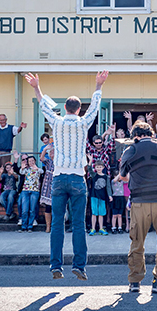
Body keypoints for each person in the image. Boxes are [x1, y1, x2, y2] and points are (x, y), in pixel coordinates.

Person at [25, 70, 109, 281]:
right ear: (79, 109)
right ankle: (79, 266)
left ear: (65, 108)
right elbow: (95, 106)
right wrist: (98, 85)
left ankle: (56, 265)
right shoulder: (83, 122)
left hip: (59, 177)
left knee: (56, 224)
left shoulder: (56, 121)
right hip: (78, 178)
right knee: (79, 224)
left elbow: (43, 104)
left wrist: (36, 86)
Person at [119, 121, 157, 294]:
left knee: (137, 241)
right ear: (151, 133)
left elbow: (123, 176)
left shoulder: (130, 150)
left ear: (135, 136)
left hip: (140, 201)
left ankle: (135, 282)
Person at [19, 156, 44, 233]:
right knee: (24, 210)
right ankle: (24, 226)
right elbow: (21, 172)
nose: (31, 162)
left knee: (32, 209)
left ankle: (30, 226)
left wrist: (36, 168)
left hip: (35, 191)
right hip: (25, 190)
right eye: (29, 161)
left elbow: (42, 171)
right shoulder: (26, 169)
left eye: (32, 161)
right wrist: (22, 167)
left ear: (35, 161)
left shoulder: (38, 169)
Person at [88, 158, 112, 236]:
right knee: (94, 213)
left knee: (101, 213)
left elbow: (108, 187)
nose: (98, 168)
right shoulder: (94, 175)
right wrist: (90, 161)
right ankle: (93, 228)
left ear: (103, 167)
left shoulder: (106, 177)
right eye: (97, 167)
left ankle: (101, 228)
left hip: (102, 197)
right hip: (94, 196)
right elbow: (89, 169)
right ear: (95, 168)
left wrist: (110, 195)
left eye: (100, 167)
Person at [40, 144, 55, 233]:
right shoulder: (48, 161)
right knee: (48, 207)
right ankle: (48, 226)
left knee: (56, 207)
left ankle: (55, 225)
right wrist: (45, 149)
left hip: (56, 185)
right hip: (48, 185)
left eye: (53, 152)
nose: (52, 154)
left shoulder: (59, 162)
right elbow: (41, 158)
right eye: (51, 153)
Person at [110, 169, 126, 234]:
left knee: (120, 215)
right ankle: (113, 227)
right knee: (114, 215)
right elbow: (114, 180)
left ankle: (120, 227)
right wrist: (119, 174)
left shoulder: (122, 182)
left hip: (121, 198)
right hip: (115, 198)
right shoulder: (113, 181)